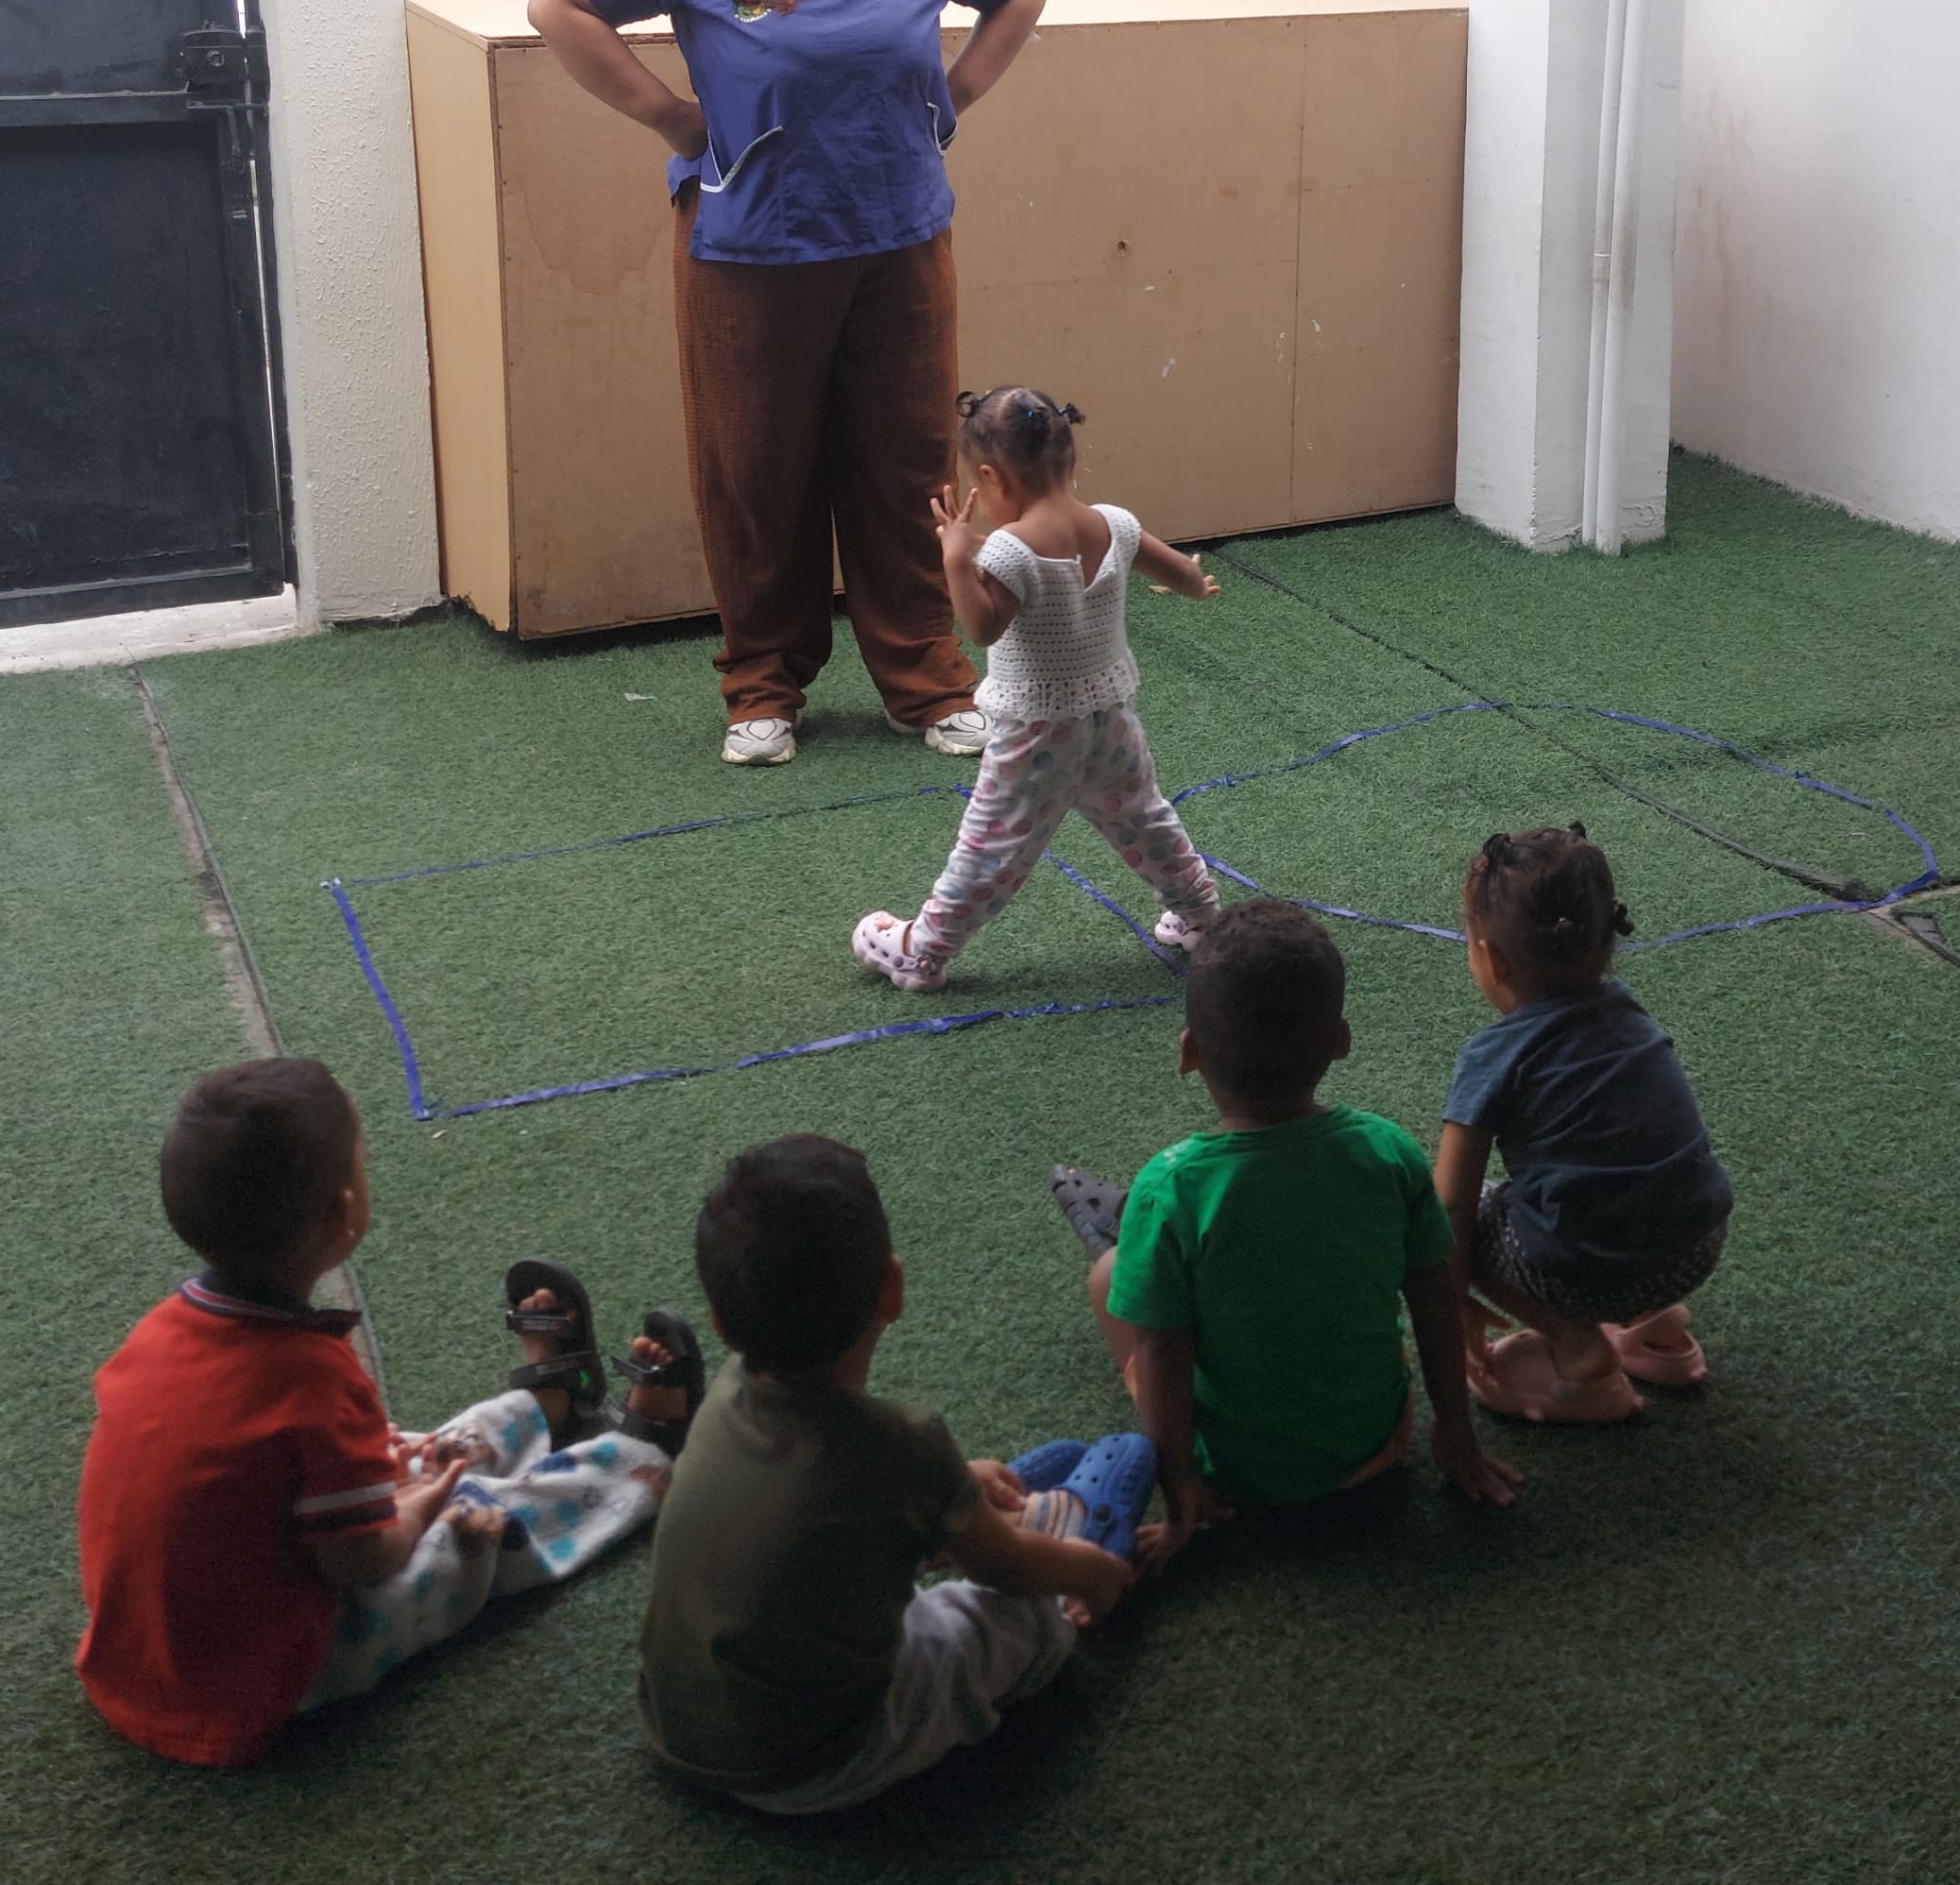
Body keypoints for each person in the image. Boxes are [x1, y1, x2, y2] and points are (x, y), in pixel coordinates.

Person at [527, 0, 1048, 770]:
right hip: (749, 249)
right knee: (754, 472)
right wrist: (672, 119)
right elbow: (558, 5)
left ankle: (928, 680)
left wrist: (953, 97)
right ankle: (761, 686)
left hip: (900, 239)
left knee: (904, 465)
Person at [76, 1059, 698, 1766]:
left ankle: (541, 1407)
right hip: (265, 1680)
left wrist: (398, 1486)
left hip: (138, 1656)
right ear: (343, 1212)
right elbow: (360, 1559)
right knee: (468, 1520)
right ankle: (639, 1457)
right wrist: (424, 1505)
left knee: (398, 1455)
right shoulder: (309, 1379)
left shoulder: (158, 1332)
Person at [637, 1134, 1135, 1816]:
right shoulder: (902, 1445)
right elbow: (1009, 1571)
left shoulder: (726, 1392)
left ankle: (952, 1514)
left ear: (722, 1323)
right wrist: (1094, 1576)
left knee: (868, 1544)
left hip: (674, 1724)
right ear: (892, 1288)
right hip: (816, 1760)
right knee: (1018, 1622)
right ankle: (1064, 1527)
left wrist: (952, 1480)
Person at [1051, 901, 1519, 1558]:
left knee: (1109, 1276)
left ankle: (1137, 1247)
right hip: (1377, 1448)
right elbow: (1436, 1299)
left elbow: (1163, 1353)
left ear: (1189, 1052)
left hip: (1232, 1474)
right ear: (1342, 1041)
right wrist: (1455, 1432)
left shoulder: (1168, 1184)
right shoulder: (1389, 1154)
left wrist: (1180, 1491)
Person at [851, 385, 1222, 990]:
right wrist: (1196, 585)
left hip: (1036, 733)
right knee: (1143, 817)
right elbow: (1177, 570)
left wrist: (954, 558)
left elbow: (982, 625)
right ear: (1069, 461)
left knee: (995, 842)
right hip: (1110, 721)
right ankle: (1201, 917)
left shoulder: (1010, 549)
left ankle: (922, 950)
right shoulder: (1115, 523)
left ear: (991, 478)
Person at [1429, 826, 1736, 1425]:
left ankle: (1578, 1350)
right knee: (1614, 1172)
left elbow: (1450, 1206)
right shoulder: (1630, 1013)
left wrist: (1452, 1304)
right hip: (1696, 1246)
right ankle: (1657, 1328)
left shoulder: (1492, 1056)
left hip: (1588, 1274)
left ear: (1491, 960)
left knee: (1445, 1206)